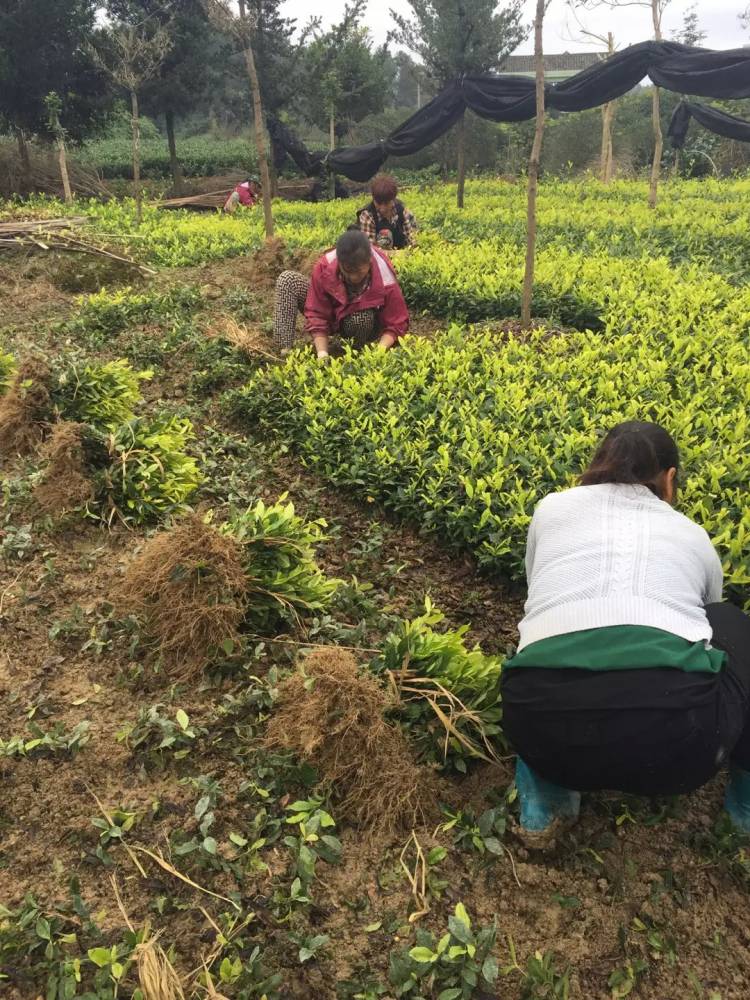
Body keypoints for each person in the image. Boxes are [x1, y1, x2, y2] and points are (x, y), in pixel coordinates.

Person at [501, 421, 750, 834]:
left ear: (599, 464)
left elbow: (535, 588)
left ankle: (547, 797)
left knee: (544, 633)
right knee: (728, 621)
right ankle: (744, 806)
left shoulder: (551, 509)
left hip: (539, 731)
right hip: (681, 752)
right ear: (669, 479)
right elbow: (706, 620)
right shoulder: (692, 535)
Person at [273, 229, 409, 360]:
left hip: (363, 321)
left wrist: (378, 352)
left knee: (361, 318)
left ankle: (356, 351)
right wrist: (322, 354)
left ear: (369, 262)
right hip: (333, 314)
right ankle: (284, 351)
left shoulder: (384, 272)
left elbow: (396, 321)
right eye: (348, 271)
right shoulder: (325, 265)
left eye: (359, 272)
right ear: (340, 261)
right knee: (287, 280)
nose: (353, 277)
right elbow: (317, 311)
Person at [357, 174, 417, 250]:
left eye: (386, 203)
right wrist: (396, 254)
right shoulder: (367, 215)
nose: (382, 208)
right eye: (378, 203)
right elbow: (370, 251)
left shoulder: (402, 212)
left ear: (393, 199)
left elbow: (413, 243)